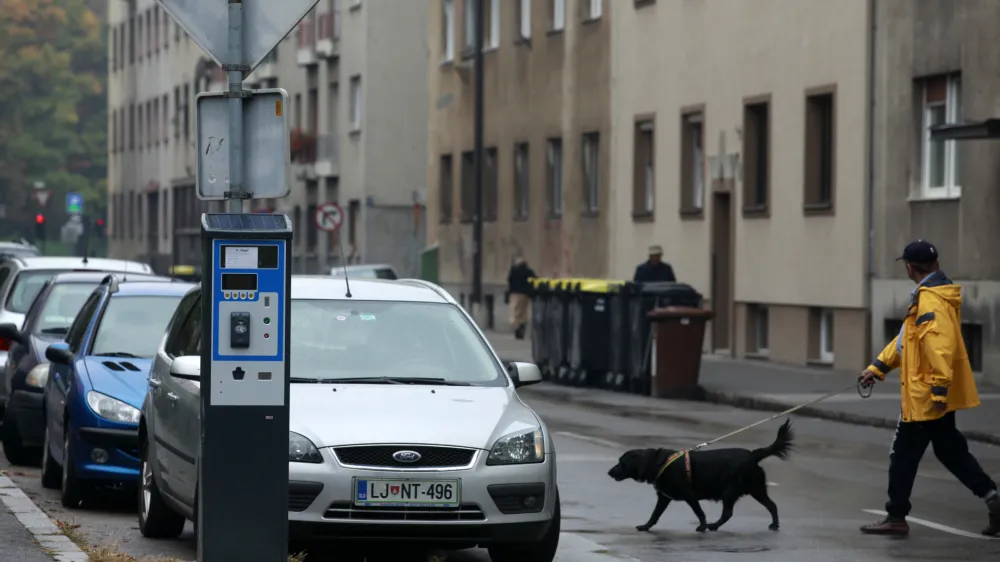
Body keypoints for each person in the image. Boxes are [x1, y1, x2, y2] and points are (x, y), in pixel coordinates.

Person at [859, 239, 999, 537]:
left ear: (910, 268)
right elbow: (906, 341)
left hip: (924, 397)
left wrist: (938, 391)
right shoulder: (933, 295)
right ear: (935, 264)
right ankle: (994, 500)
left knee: (902, 456)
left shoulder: (930, 300)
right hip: (931, 395)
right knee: (951, 453)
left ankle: (896, 515)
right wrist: (878, 367)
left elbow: (940, 348)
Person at [506, 256, 536, 340]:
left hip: (515, 294)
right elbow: (534, 279)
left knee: (515, 312)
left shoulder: (514, 270)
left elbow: (510, 280)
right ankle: (521, 327)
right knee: (523, 312)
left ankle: (517, 328)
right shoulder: (528, 271)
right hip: (524, 294)